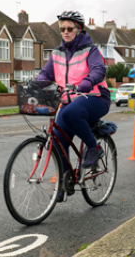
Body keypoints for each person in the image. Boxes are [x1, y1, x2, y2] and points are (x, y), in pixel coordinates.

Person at [36, 11, 110, 200]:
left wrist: (87, 82)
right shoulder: (56, 54)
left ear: (79, 29)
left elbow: (99, 69)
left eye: (70, 28)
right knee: (58, 139)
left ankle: (94, 149)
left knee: (69, 114)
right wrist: (36, 84)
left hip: (95, 96)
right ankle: (63, 183)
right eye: (62, 29)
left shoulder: (90, 50)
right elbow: (46, 74)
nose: (65, 32)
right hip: (68, 100)